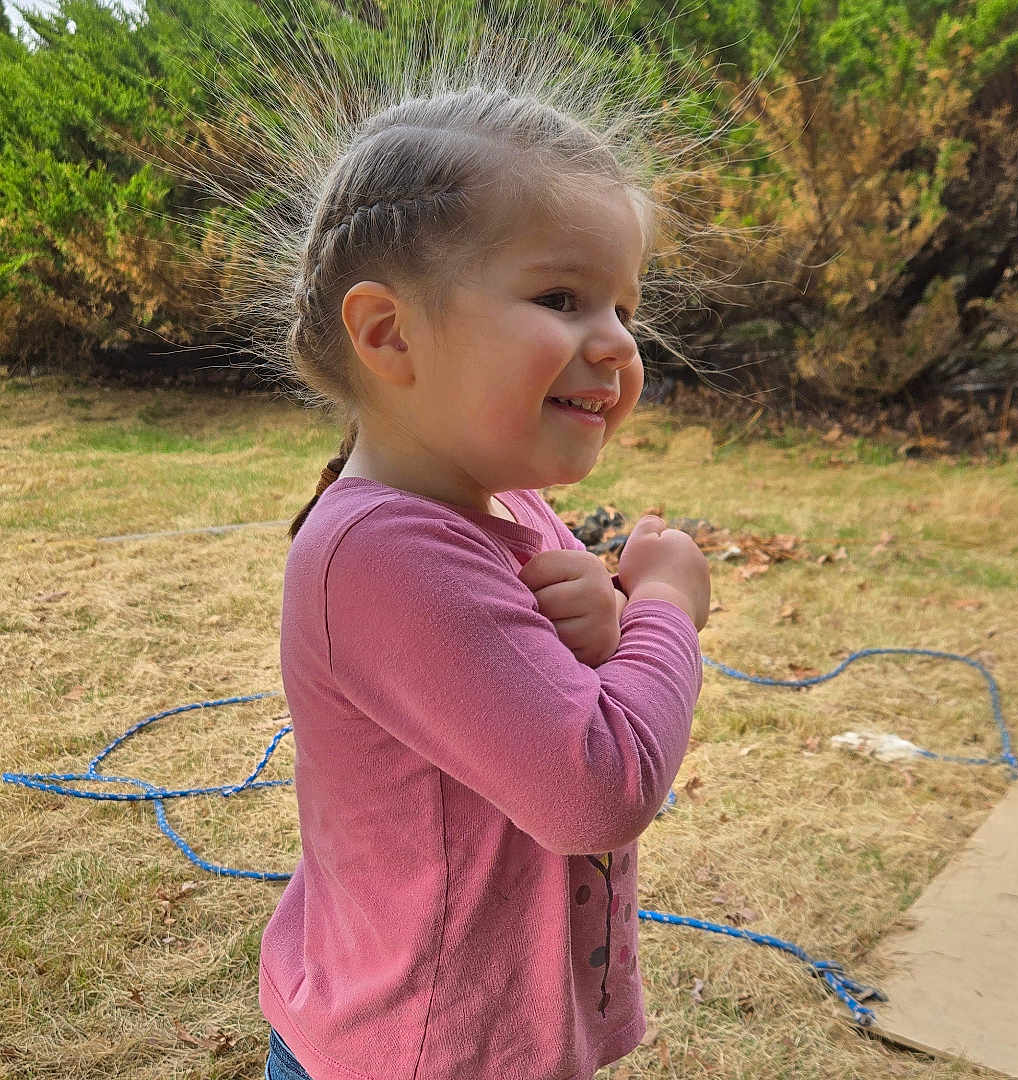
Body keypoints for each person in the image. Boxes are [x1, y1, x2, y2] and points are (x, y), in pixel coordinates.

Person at [260, 84, 712, 1080]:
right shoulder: (383, 555)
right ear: (390, 336)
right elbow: (596, 785)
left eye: (624, 306)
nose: (618, 343)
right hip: (419, 1052)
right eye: (562, 299)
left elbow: (524, 670)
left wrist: (608, 616)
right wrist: (670, 608)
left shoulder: (497, 504)